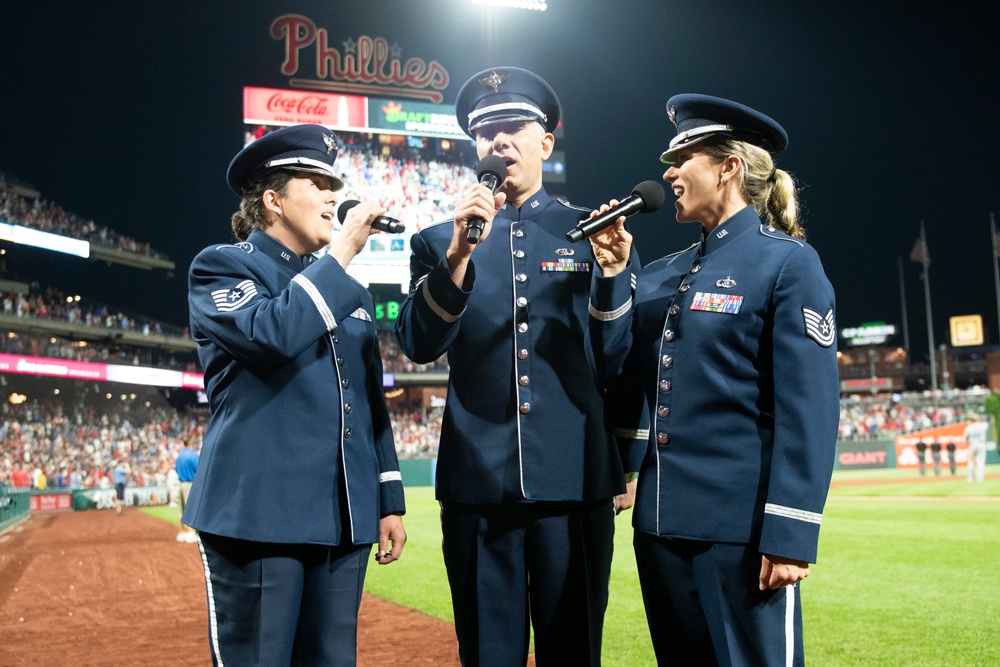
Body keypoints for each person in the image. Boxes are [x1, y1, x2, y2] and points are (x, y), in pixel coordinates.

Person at [393, 67, 646, 667]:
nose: (499, 141)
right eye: (486, 132)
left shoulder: (596, 231)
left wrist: (611, 276)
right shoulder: (437, 240)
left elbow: (617, 362)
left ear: (545, 143)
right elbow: (418, 345)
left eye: (514, 128)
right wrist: (457, 256)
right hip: (479, 488)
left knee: (574, 652)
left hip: (576, 484)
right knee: (487, 655)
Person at [585, 94, 839, 665]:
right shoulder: (657, 275)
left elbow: (810, 410)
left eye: (683, 157)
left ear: (729, 167)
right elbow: (613, 369)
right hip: (659, 529)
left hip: (741, 534)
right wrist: (611, 276)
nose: (668, 173)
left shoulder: (787, 264)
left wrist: (791, 534)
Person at [184, 123, 407, 666]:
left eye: (336, 183)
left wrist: (388, 499)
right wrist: (345, 253)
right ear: (273, 200)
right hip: (260, 514)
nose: (335, 196)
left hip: (343, 516)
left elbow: (368, 401)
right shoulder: (222, 264)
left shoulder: (344, 287)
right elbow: (271, 334)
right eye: (317, 182)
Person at [174, 438, 199, 543]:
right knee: (190, 510)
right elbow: (198, 468)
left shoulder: (179, 456)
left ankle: (181, 533)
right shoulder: (193, 455)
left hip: (180, 483)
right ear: (192, 443)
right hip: (189, 483)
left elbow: (176, 469)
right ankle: (189, 533)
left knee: (181, 510)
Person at [965, 413, 989, 483]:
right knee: (981, 462)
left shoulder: (969, 427)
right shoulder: (982, 426)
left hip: (973, 445)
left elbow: (966, 438)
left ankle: (969, 479)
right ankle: (980, 478)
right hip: (981, 444)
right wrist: (978, 417)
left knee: (971, 461)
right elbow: (985, 423)